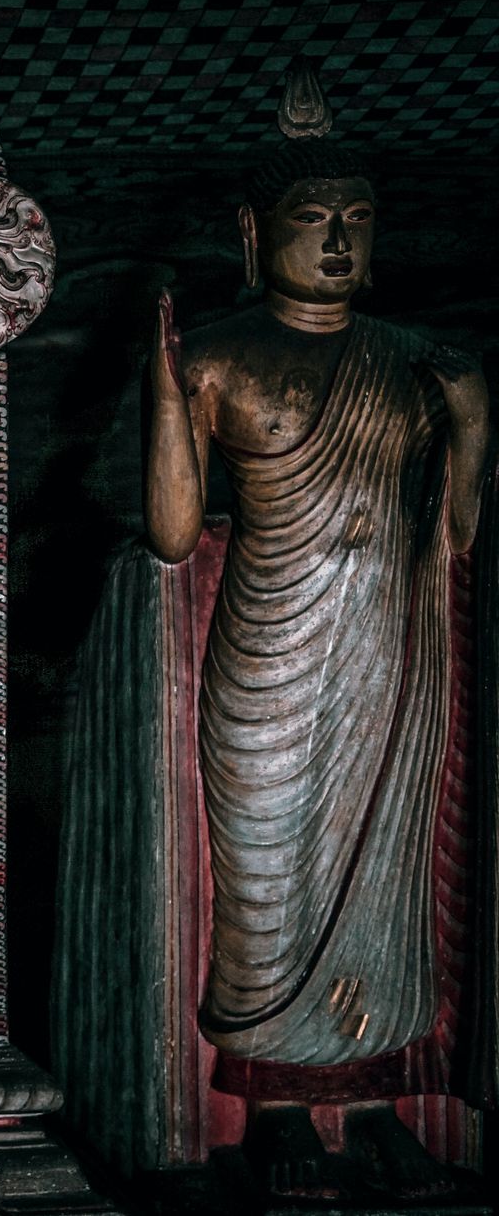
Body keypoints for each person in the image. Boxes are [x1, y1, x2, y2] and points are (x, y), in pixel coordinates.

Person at [145, 62, 489, 1200]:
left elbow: (457, 534)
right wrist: (165, 391)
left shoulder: (411, 359)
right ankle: (277, 1109)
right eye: (309, 218)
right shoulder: (221, 353)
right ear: (255, 233)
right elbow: (169, 533)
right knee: (267, 870)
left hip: (386, 655)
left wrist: (474, 430)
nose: (335, 241)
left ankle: (381, 1104)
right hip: (264, 656)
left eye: (354, 219)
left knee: (379, 885)